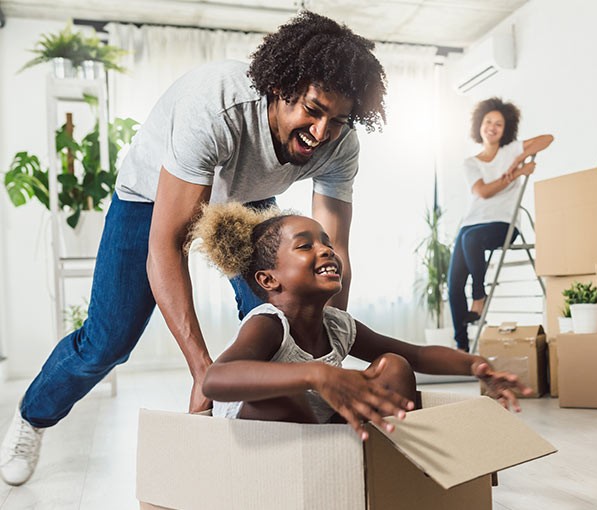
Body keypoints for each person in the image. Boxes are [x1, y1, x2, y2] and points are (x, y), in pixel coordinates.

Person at [0, 11, 387, 486]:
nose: (321, 132)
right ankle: (32, 416)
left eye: (338, 119)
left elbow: (333, 253)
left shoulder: (340, 144)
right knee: (107, 342)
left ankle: (271, 444)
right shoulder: (217, 107)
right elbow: (167, 245)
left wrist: (327, 352)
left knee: (280, 309)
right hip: (150, 198)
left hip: (248, 197)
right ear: (281, 88)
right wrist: (203, 371)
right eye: (313, 110)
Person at [195, 203, 531, 438]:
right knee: (286, 393)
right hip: (256, 432)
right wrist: (315, 373)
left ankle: (384, 462)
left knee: (394, 366)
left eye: (326, 243)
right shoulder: (269, 323)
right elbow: (214, 380)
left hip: (319, 427)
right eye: (305, 246)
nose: (326, 250)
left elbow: (416, 355)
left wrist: (474, 365)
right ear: (269, 280)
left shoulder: (337, 325)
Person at [447, 98, 553, 352]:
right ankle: (462, 347)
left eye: (499, 124)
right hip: (471, 224)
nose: (492, 127)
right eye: (488, 122)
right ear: (479, 125)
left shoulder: (511, 150)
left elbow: (548, 139)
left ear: (506, 129)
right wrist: (518, 173)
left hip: (503, 224)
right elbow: (482, 192)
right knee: (453, 285)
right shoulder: (471, 163)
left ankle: (479, 296)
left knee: (470, 239)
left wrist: (519, 158)